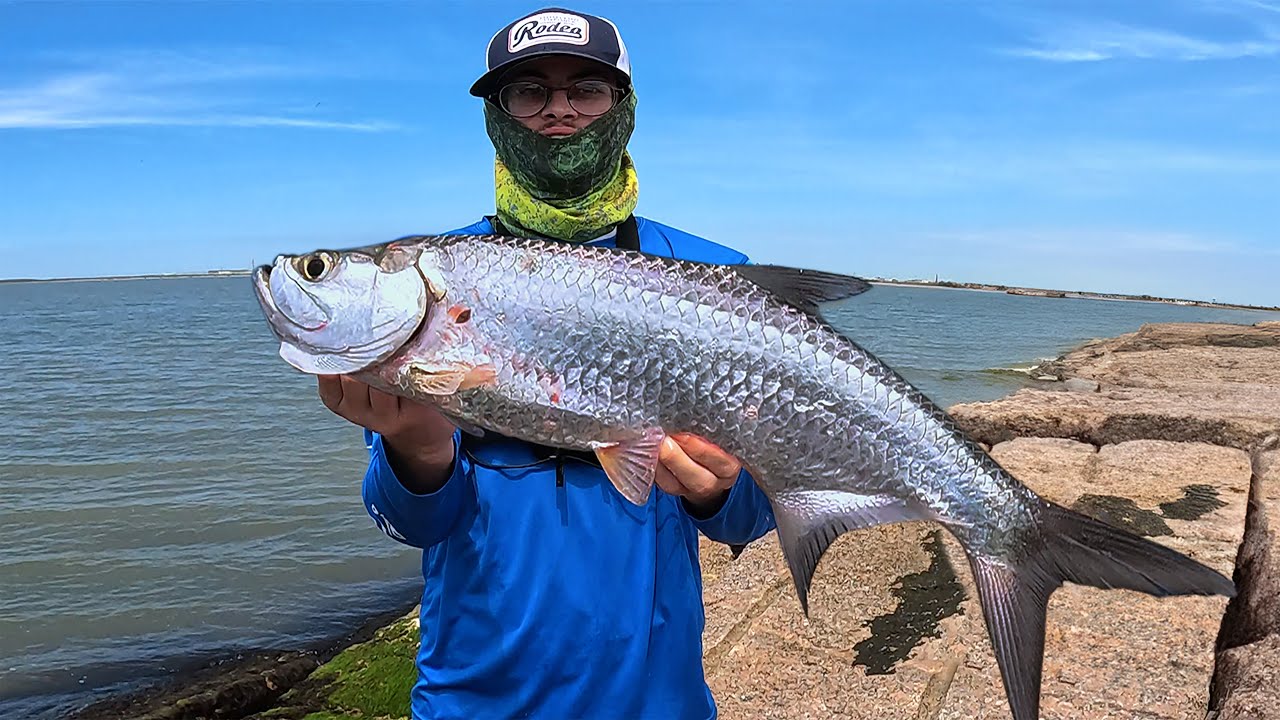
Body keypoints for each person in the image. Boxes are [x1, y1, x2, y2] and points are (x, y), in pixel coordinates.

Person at [316, 7, 777, 719]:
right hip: (475, 698)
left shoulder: (714, 279)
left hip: (658, 700)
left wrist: (717, 492)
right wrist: (417, 450)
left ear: (623, 107)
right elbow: (408, 522)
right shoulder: (426, 284)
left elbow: (748, 521)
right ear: (497, 115)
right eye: (528, 91)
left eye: (585, 89)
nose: (558, 109)